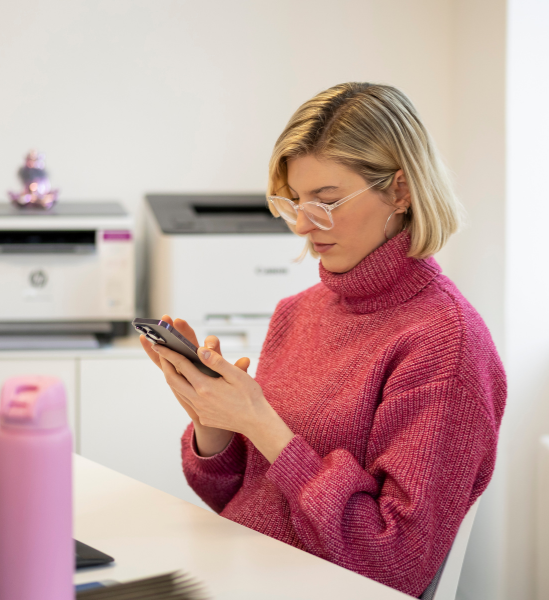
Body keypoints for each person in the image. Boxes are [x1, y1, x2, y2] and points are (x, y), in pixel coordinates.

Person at [140, 82, 507, 598]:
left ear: (400, 191)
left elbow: (394, 560)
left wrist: (262, 424)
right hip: (240, 572)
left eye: (327, 201)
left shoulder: (445, 343)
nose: (304, 226)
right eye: (295, 202)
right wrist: (213, 422)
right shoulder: (298, 312)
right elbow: (231, 496)